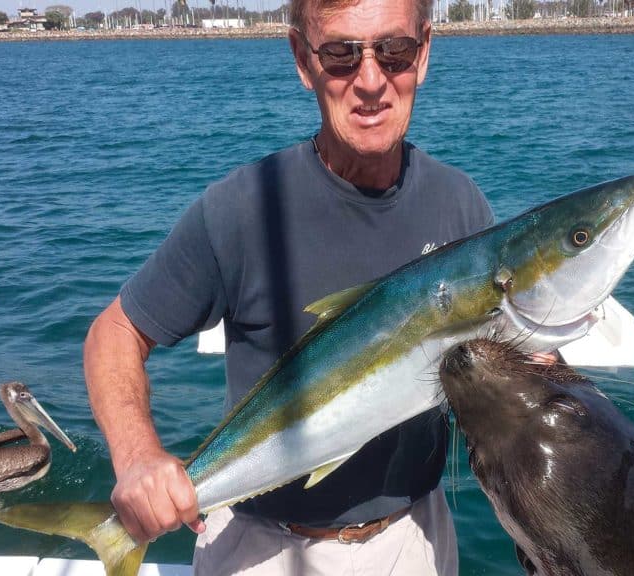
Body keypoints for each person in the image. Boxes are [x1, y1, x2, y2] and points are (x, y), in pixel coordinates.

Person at [83, 0, 499, 573]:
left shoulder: (462, 206)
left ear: (424, 52)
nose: (372, 81)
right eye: (340, 54)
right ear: (302, 60)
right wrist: (137, 458)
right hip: (258, 548)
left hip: (415, 540)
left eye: (395, 51)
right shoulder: (240, 209)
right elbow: (115, 331)